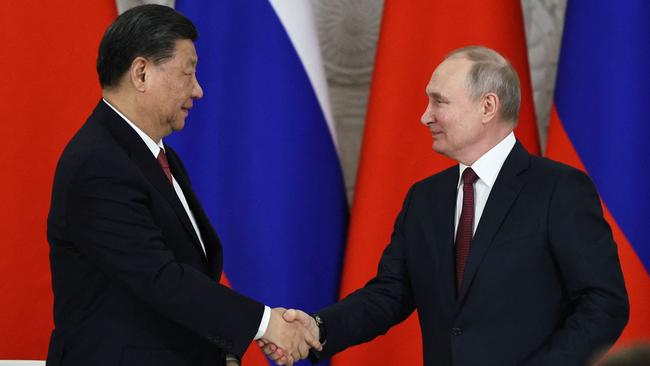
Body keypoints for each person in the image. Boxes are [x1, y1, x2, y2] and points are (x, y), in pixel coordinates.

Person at [262, 46, 629, 365]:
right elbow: (389, 293)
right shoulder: (425, 198)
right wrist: (319, 328)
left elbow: (604, 303)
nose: (425, 115)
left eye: (439, 101)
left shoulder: (558, 189)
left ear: (487, 106)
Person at [46, 5, 317, 366]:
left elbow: (187, 272)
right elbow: (160, 278)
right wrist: (266, 324)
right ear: (141, 73)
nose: (199, 90)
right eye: (188, 73)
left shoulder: (162, 159)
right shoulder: (97, 163)